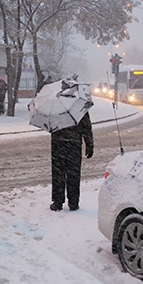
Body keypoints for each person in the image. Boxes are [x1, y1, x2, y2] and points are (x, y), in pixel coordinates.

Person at [50, 79, 94, 212]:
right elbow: (86, 127)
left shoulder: (55, 104)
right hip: (74, 144)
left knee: (58, 174)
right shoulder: (79, 105)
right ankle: (73, 202)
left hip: (58, 144)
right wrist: (89, 144)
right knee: (73, 174)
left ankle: (57, 202)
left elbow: (49, 123)